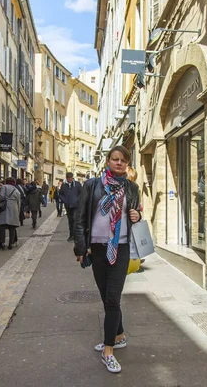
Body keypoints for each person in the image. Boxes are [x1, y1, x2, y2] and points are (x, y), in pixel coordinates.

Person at [73, 146, 141, 374]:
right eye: (115, 159)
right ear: (108, 161)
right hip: (97, 250)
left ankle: (108, 350)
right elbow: (81, 217)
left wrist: (137, 215)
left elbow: (136, 214)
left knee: (113, 298)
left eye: (123, 160)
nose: (119, 163)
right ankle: (118, 335)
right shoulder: (93, 185)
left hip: (120, 248)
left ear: (127, 164)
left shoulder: (132, 188)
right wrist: (81, 248)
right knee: (106, 297)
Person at [0, 177, 21, 250]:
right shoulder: (17, 190)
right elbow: (19, 203)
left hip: (5, 208)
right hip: (14, 208)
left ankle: (2, 243)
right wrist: (18, 213)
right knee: (12, 227)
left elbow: (1, 197)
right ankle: (11, 244)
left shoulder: (4, 187)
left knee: (2, 227)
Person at [59, 172, 82, 241]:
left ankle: (75, 236)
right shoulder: (64, 185)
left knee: (75, 220)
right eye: (68, 178)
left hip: (75, 205)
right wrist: (64, 200)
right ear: (66, 178)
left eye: (70, 178)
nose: (69, 179)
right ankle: (71, 235)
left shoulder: (77, 184)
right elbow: (60, 194)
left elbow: (82, 193)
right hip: (68, 205)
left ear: (72, 178)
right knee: (70, 221)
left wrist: (78, 200)